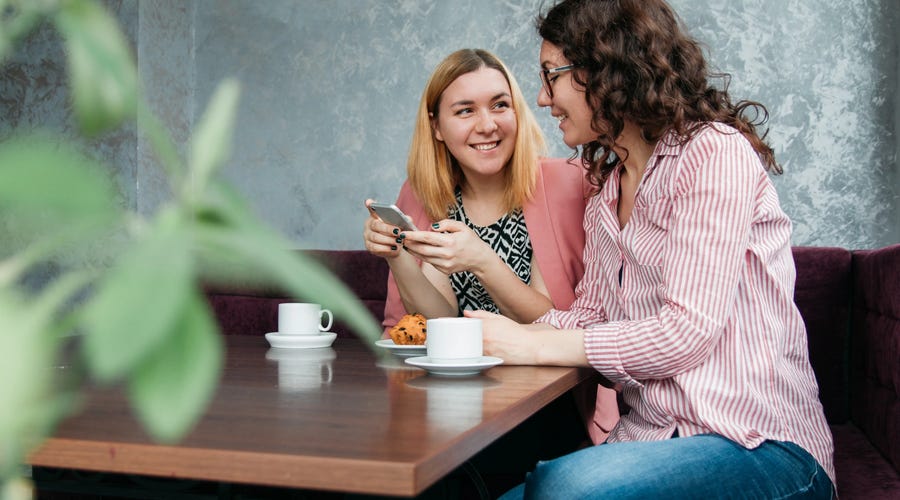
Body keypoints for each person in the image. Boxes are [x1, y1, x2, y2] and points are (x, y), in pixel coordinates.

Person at [466, 1, 837, 498]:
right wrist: (496, 336)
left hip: (760, 446)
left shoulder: (712, 152)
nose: (542, 97)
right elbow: (591, 318)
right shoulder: (607, 193)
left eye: (551, 76)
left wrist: (531, 344)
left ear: (605, 70)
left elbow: (686, 331)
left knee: (565, 486)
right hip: (649, 441)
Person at [363, 48, 620, 442]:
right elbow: (440, 320)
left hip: (549, 405)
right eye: (465, 111)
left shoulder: (568, 183)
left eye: (500, 105)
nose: (488, 125)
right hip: (450, 400)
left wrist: (482, 261)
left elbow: (554, 324)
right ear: (436, 127)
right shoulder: (423, 194)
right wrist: (397, 256)